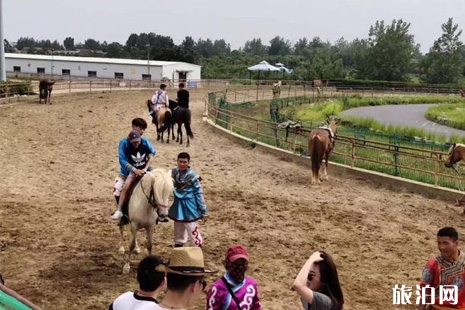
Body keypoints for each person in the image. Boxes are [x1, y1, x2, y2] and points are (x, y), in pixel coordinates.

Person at [111, 129, 156, 220]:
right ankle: (119, 210)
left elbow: (151, 156)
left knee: (157, 184)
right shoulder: (127, 147)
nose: (136, 144)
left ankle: (159, 210)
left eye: (137, 142)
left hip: (145, 169)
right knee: (124, 188)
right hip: (133, 171)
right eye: (134, 142)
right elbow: (123, 160)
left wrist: (145, 168)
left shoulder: (144, 144)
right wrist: (134, 170)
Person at [418, 227, 465, 310]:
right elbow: (424, 290)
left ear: (456, 243)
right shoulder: (433, 263)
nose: (441, 247)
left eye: (445, 243)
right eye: (439, 243)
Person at [168, 152, 208, 247]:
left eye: (184, 162)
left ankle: (197, 246)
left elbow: (198, 193)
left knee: (192, 227)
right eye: (180, 161)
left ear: (188, 162)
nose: (182, 164)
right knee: (178, 228)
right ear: (177, 161)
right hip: (178, 205)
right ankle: (179, 247)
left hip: (190, 206)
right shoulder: (173, 172)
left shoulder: (193, 176)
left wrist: (203, 210)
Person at [206, 244, 262, 310]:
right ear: (227, 263)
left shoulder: (251, 284)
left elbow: (256, 307)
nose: (239, 266)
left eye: (243, 263)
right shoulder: (217, 289)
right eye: (236, 263)